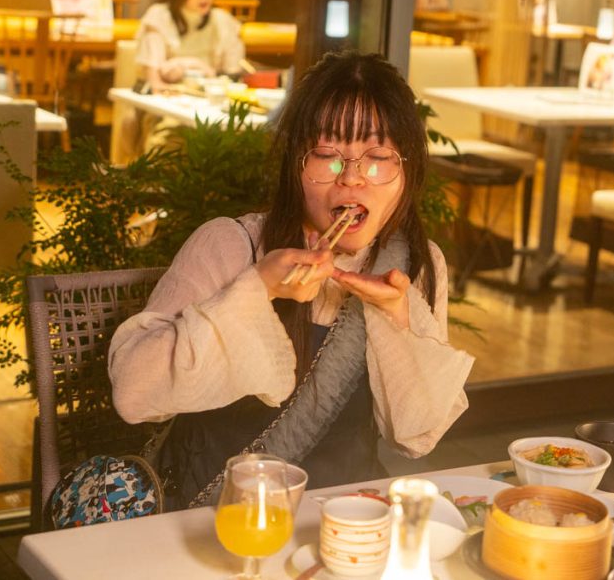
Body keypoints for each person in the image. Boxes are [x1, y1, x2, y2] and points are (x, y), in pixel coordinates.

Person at [108, 51, 475, 511]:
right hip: (219, 521)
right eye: (326, 156)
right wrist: (257, 287)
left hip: (346, 519)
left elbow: (417, 437)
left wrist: (396, 318)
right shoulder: (231, 245)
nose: (352, 179)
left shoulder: (417, 264)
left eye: (378, 158)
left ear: (407, 170)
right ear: (295, 165)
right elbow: (133, 395)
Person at [135, 0, 246, 93]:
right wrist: (196, 66)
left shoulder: (223, 22)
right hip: (167, 104)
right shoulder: (158, 18)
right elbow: (155, 84)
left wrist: (191, 65)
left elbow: (233, 78)